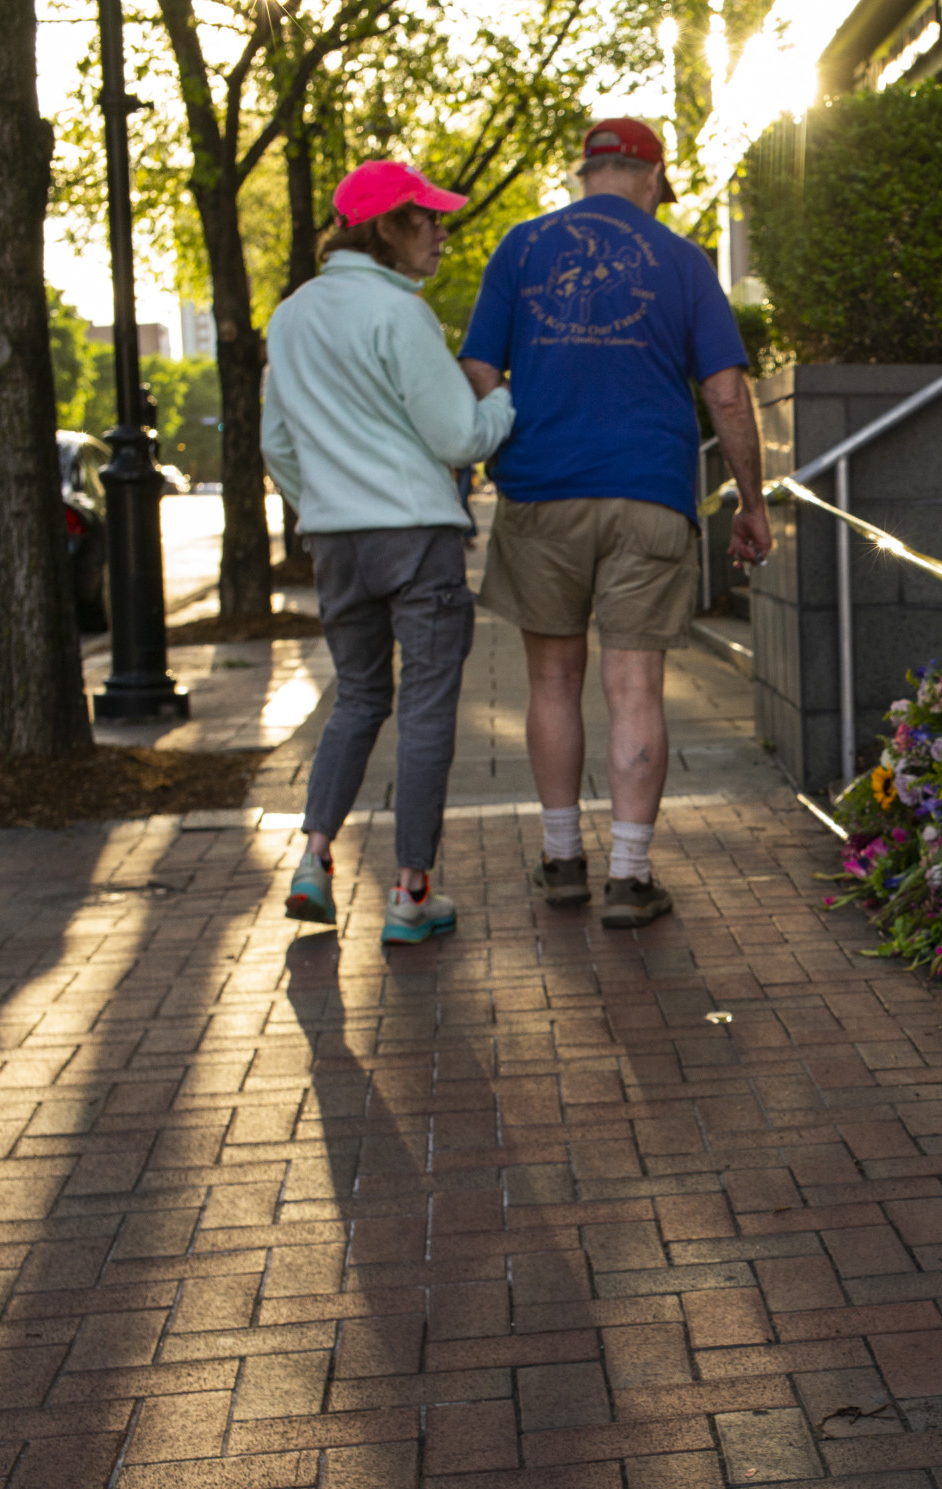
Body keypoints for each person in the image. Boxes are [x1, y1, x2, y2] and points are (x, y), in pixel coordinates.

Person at [458, 116, 771, 929]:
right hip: (651, 493)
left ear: (582, 170)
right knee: (635, 687)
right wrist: (752, 498)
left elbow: (478, 363)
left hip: (541, 492)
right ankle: (630, 879)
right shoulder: (684, 261)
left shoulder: (520, 248)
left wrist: (505, 426)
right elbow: (728, 395)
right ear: (653, 176)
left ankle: (563, 860)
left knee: (552, 681)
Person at [265, 159, 515, 945]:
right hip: (415, 535)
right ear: (387, 227)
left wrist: (330, 500)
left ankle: (313, 861)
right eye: (428, 219)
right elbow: (457, 436)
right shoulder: (402, 315)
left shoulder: (291, 317)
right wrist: (505, 397)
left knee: (359, 698)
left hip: (335, 542)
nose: (442, 231)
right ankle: (411, 893)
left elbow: (277, 445)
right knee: (426, 707)